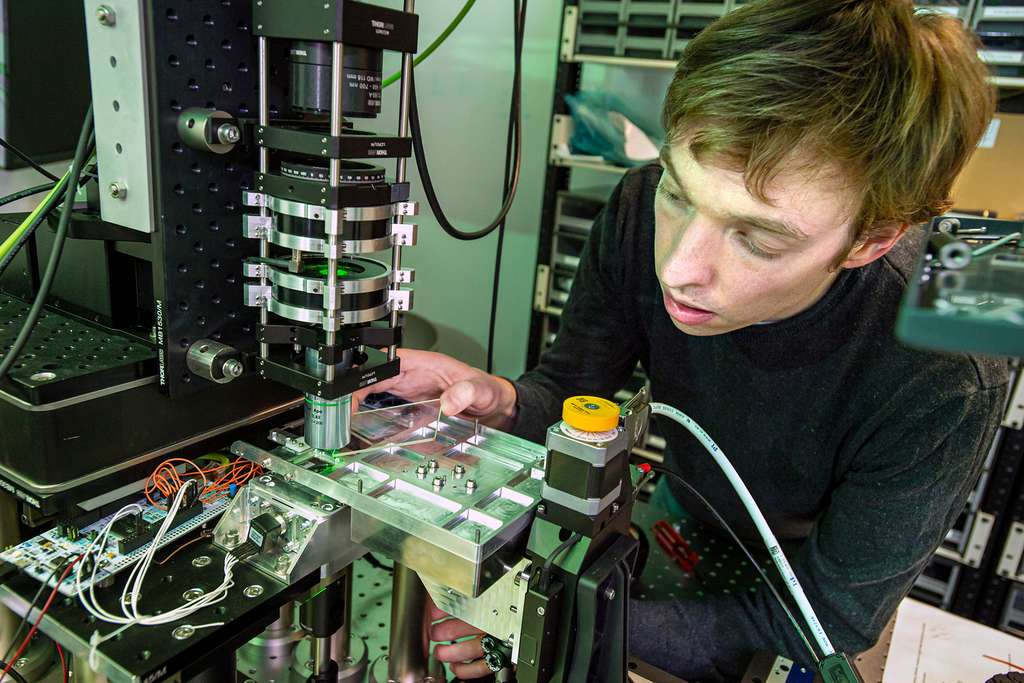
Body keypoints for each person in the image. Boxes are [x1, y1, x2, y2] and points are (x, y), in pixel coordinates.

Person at [358, 0, 1009, 679]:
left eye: (755, 237)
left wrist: (547, 618)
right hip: (690, 510)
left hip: (816, 570)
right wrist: (502, 400)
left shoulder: (955, 355)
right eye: (679, 192)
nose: (679, 270)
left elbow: (828, 615)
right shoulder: (641, 205)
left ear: (872, 240)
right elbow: (569, 392)